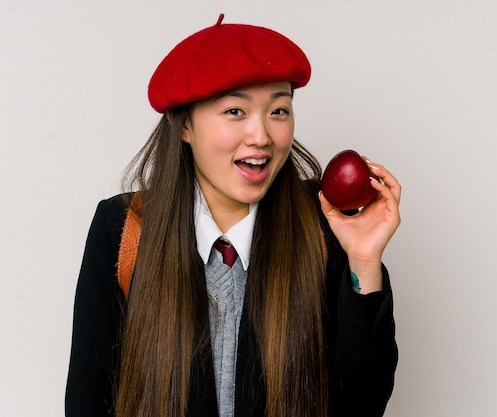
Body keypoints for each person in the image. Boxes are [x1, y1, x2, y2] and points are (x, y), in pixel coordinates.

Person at [65, 13, 401, 417]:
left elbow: (362, 406)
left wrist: (363, 261)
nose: (261, 136)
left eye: (279, 110)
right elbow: (87, 403)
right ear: (183, 124)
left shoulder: (325, 233)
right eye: (235, 112)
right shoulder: (122, 230)